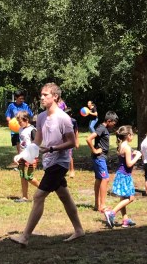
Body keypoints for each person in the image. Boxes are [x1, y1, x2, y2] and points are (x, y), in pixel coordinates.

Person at [7, 82, 85, 245]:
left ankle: (25, 237)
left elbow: (72, 142)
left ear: (55, 97)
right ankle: (79, 230)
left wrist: (52, 149)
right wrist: (23, 155)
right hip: (49, 162)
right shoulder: (41, 117)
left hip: (60, 162)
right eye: (41, 95)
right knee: (64, 196)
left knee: (38, 196)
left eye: (45, 95)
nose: (41, 97)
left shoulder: (64, 118)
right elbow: (36, 141)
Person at [104, 126, 143, 227]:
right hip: (125, 176)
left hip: (120, 174)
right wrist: (137, 156)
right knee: (131, 198)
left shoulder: (121, 146)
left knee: (123, 198)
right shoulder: (127, 148)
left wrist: (133, 154)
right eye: (132, 134)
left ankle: (125, 220)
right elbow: (129, 164)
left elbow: (125, 158)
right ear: (128, 135)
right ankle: (111, 213)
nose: (133, 136)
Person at [87, 111, 118, 213]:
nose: (114, 125)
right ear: (108, 121)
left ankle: (97, 204)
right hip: (99, 158)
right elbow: (89, 139)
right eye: (113, 123)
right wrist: (94, 150)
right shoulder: (101, 128)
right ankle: (102, 206)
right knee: (105, 179)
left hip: (99, 158)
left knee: (99, 179)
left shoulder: (103, 128)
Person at [12, 110, 39, 202]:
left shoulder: (32, 130)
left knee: (29, 177)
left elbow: (36, 144)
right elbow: (20, 142)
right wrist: (19, 154)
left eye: (20, 122)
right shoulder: (20, 129)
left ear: (26, 120)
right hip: (22, 156)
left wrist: (33, 157)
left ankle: (44, 189)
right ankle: (24, 197)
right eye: (18, 122)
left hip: (31, 157)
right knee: (22, 176)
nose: (19, 124)